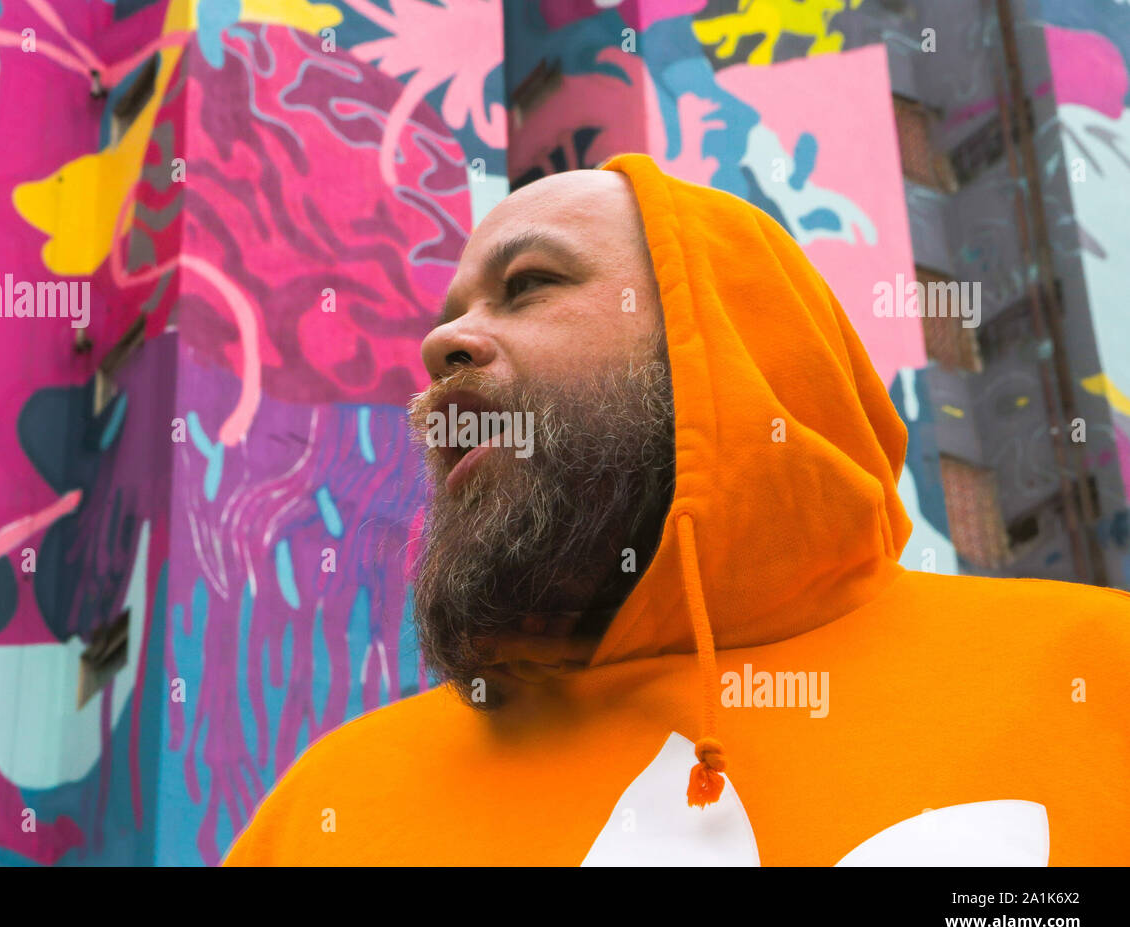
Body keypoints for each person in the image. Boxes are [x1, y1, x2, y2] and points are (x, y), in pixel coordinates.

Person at [224, 153, 1130, 866]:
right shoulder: (324, 812)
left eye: (531, 283)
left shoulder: (1096, 676)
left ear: (729, 339)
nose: (440, 343)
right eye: (451, 312)